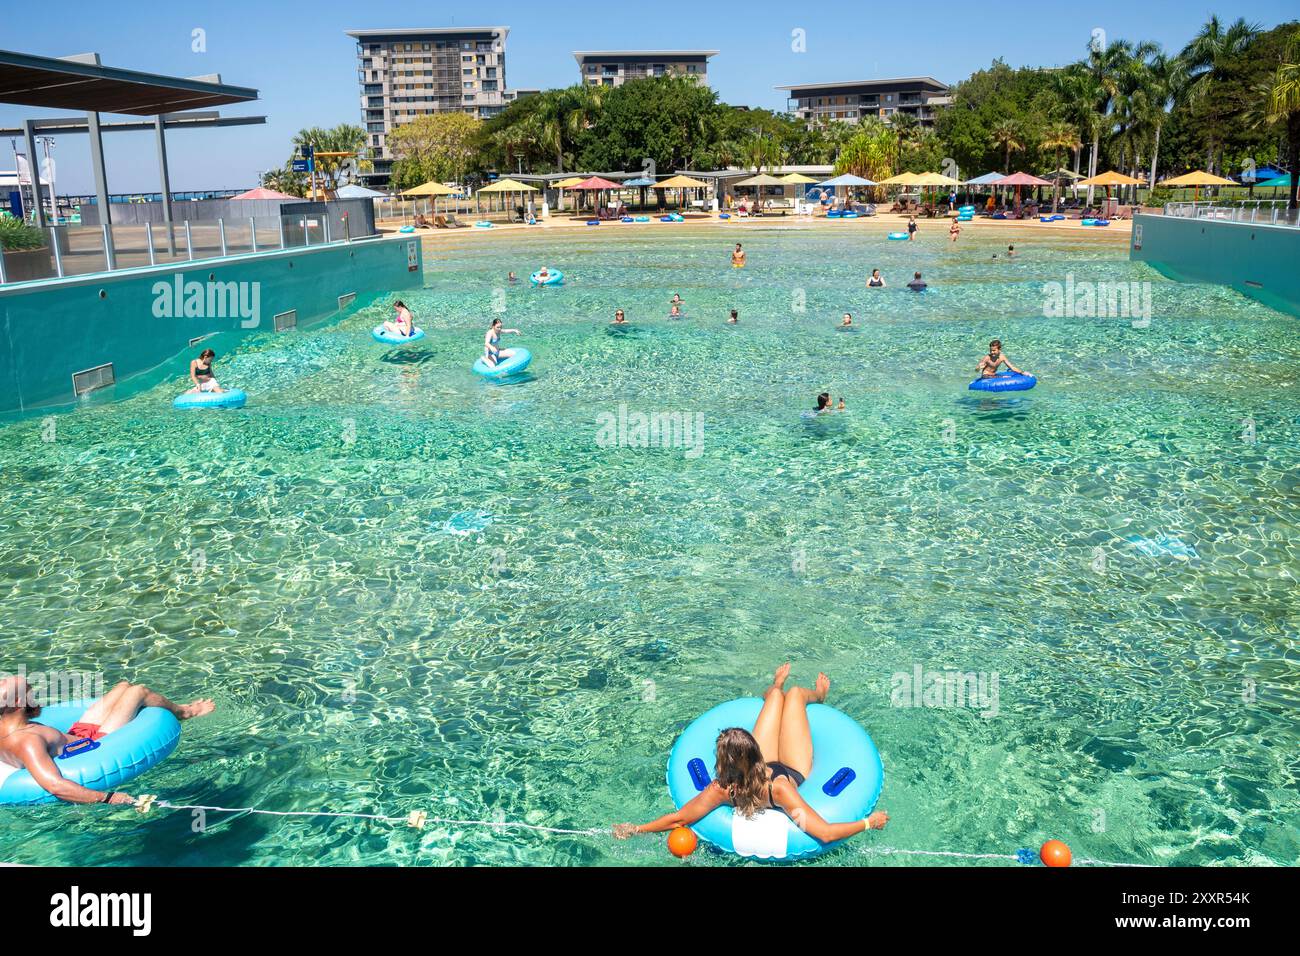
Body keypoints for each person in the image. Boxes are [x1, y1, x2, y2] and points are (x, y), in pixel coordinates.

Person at [612, 664, 888, 846]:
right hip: (793, 768)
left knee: (780, 696)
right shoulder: (778, 790)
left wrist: (637, 828)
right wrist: (868, 822)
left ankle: (796, 690)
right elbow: (825, 833)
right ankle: (803, 692)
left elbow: (679, 818)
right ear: (754, 751)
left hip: (776, 768)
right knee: (792, 696)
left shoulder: (721, 789)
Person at [0, 675, 214, 805]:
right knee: (138, 692)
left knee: (123, 687)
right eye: (30, 690)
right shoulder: (27, 741)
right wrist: (107, 798)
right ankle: (185, 712)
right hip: (92, 746)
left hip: (78, 735)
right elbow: (55, 786)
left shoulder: (11, 724)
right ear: (19, 702)